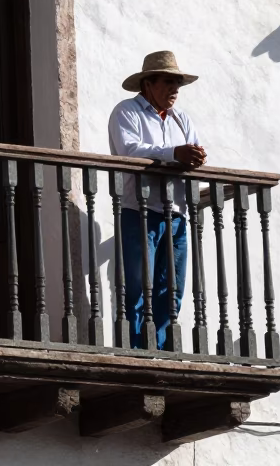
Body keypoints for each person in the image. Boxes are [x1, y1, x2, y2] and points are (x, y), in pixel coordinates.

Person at [108, 50, 206, 350]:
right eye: (168, 81)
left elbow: (194, 152)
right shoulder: (127, 112)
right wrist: (174, 154)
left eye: (178, 83)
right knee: (139, 287)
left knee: (171, 289)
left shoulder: (181, 119)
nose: (175, 89)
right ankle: (136, 352)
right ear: (148, 84)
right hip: (139, 211)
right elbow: (129, 151)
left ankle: (162, 351)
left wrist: (194, 158)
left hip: (176, 214)